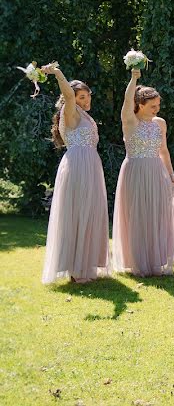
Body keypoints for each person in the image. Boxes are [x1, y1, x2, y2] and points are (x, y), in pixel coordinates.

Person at [41, 64, 109, 284]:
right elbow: (68, 96)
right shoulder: (69, 111)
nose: (85, 101)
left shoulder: (83, 116)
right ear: (70, 97)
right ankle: (76, 269)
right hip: (78, 166)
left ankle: (85, 264)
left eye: (87, 97)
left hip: (90, 164)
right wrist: (58, 73)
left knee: (89, 213)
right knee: (78, 212)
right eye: (81, 97)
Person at [111, 68, 174, 276]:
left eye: (158, 105)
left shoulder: (160, 124)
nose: (156, 110)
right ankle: (137, 261)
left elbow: (164, 151)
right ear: (140, 105)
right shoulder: (130, 121)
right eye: (152, 106)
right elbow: (126, 99)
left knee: (157, 215)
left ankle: (155, 259)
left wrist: (170, 173)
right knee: (137, 215)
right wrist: (133, 78)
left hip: (157, 171)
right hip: (135, 171)